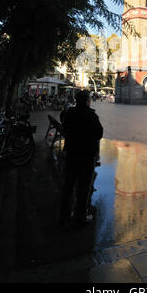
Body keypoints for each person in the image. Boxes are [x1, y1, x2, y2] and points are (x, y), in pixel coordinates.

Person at [59, 89, 103, 227]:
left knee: (69, 184)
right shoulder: (91, 115)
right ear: (86, 101)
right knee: (84, 186)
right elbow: (99, 133)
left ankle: (64, 213)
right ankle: (80, 215)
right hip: (86, 155)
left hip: (72, 153)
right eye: (89, 98)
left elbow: (65, 129)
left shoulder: (69, 113)